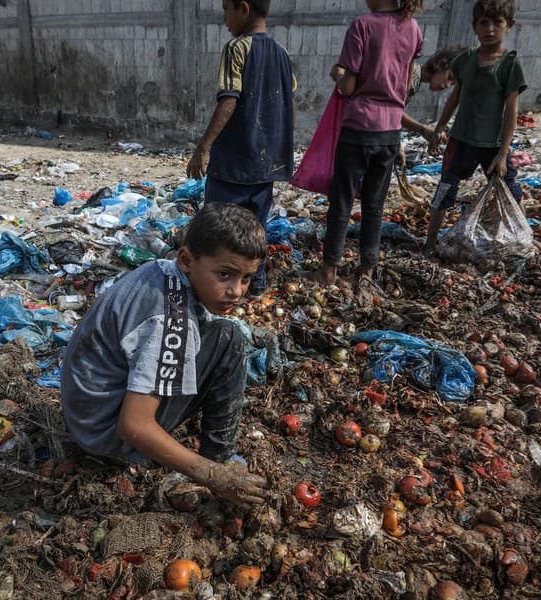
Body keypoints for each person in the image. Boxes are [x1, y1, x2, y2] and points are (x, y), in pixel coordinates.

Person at [61, 203, 269, 506]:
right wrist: (213, 474)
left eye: (246, 278)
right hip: (106, 434)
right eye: (225, 274)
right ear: (186, 260)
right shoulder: (171, 324)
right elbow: (133, 426)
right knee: (229, 340)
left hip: (87, 413)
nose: (236, 291)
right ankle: (219, 461)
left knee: (221, 333)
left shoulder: (160, 270)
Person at [307, 0, 424, 285]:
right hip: (390, 131)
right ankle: (367, 269)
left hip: (359, 127)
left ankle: (330, 269)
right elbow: (408, 84)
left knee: (342, 201)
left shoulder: (362, 26)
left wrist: (338, 74)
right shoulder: (412, 27)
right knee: (374, 204)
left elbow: (347, 87)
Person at [186, 0, 295, 298]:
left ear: (243, 8)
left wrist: (203, 148)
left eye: (226, 10)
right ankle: (255, 286)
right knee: (255, 229)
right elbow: (288, 98)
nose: (225, 19)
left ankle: (214, 291)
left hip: (234, 161)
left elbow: (229, 100)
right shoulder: (282, 54)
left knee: (218, 230)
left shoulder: (237, 48)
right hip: (266, 164)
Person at [421, 0, 527, 257]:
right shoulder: (466, 61)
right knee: (445, 190)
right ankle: (430, 242)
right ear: (474, 27)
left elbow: (511, 110)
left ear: (509, 26)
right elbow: (456, 96)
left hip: (491, 144)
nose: (490, 28)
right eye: (484, 23)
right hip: (462, 140)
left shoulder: (510, 65)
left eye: (497, 23)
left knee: (510, 190)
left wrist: (504, 152)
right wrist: (440, 128)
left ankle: (525, 237)